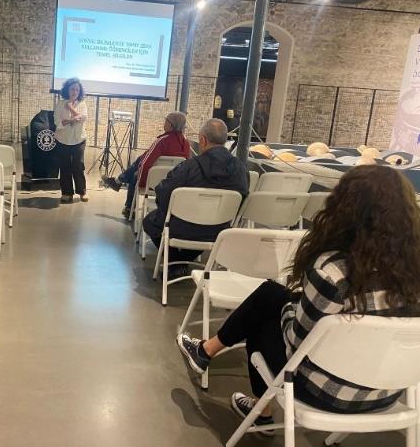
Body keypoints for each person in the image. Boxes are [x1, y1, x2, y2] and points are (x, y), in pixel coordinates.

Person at [177, 165, 420, 435]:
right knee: (271, 294)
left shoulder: (332, 272)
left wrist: (290, 306)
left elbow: (297, 344)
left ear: (344, 210)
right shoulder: (412, 271)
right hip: (386, 391)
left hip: (323, 393)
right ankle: (207, 352)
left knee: (266, 311)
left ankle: (257, 408)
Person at [142, 118, 248, 276]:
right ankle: (183, 260)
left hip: (182, 229)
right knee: (203, 231)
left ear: (203, 140)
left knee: (150, 221)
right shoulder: (240, 169)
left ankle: (175, 261)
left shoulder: (189, 167)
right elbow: (243, 199)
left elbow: (164, 193)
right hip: (220, 231)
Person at [103, 111, 191, 218]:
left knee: (136, 174)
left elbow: (146, 164)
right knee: (140, 160)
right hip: (173, 184)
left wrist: (142, 182)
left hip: (153, 183)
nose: (164, 122)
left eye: (166, 120)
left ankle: (129, 206)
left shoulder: (162, 141)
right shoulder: (186, 144)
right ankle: (120, 183)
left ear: (170, 125)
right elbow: (186, 165)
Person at [54, 77, 88, 203]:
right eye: (72, 89)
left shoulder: (82, 104)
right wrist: (71, 120)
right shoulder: (60, 104)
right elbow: (57, 122)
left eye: (77, 90)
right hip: (62, 140)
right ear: (67, 90)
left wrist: (70, 108)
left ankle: (82, 191)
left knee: (78, 166)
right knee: (64, 167)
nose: (74, 92)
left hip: (79, 140)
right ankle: (67, 193)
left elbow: (82, 118)